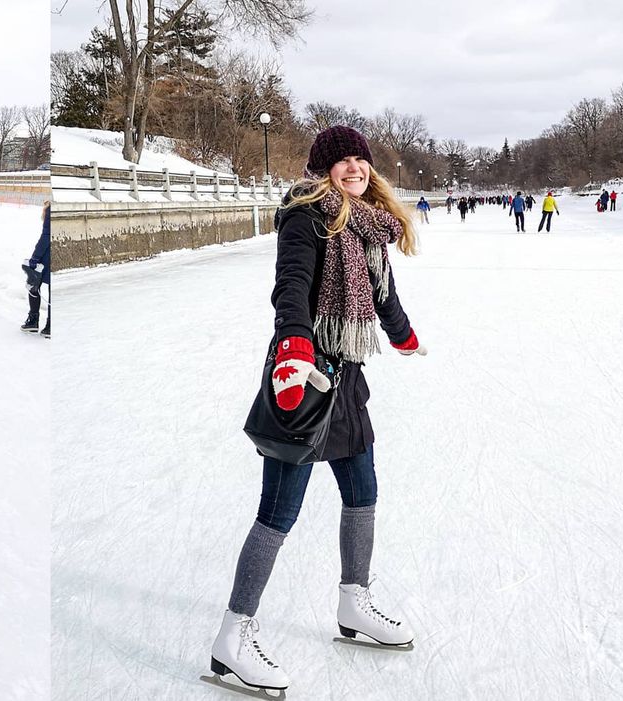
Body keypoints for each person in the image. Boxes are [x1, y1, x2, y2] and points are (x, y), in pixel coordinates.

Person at [210, 125, 423, 696]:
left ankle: (355, 603)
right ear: (321, 168)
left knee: (363, 492)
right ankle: (232, 638)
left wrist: (403, 336)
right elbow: (292, 286)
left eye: (360, 159)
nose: (353, 168)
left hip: (348, 377)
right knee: (279, 511)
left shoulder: (370, 225)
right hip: (304, 376)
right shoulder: (306, 216)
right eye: (341, 160)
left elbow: (383, 296)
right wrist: (295, 348)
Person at [20, 202, 52, 337]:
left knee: (34, 285)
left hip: (46, 256)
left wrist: (34, 258)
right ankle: (50, 326)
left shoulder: (51, 209)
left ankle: (33, 321)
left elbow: (46, 236)